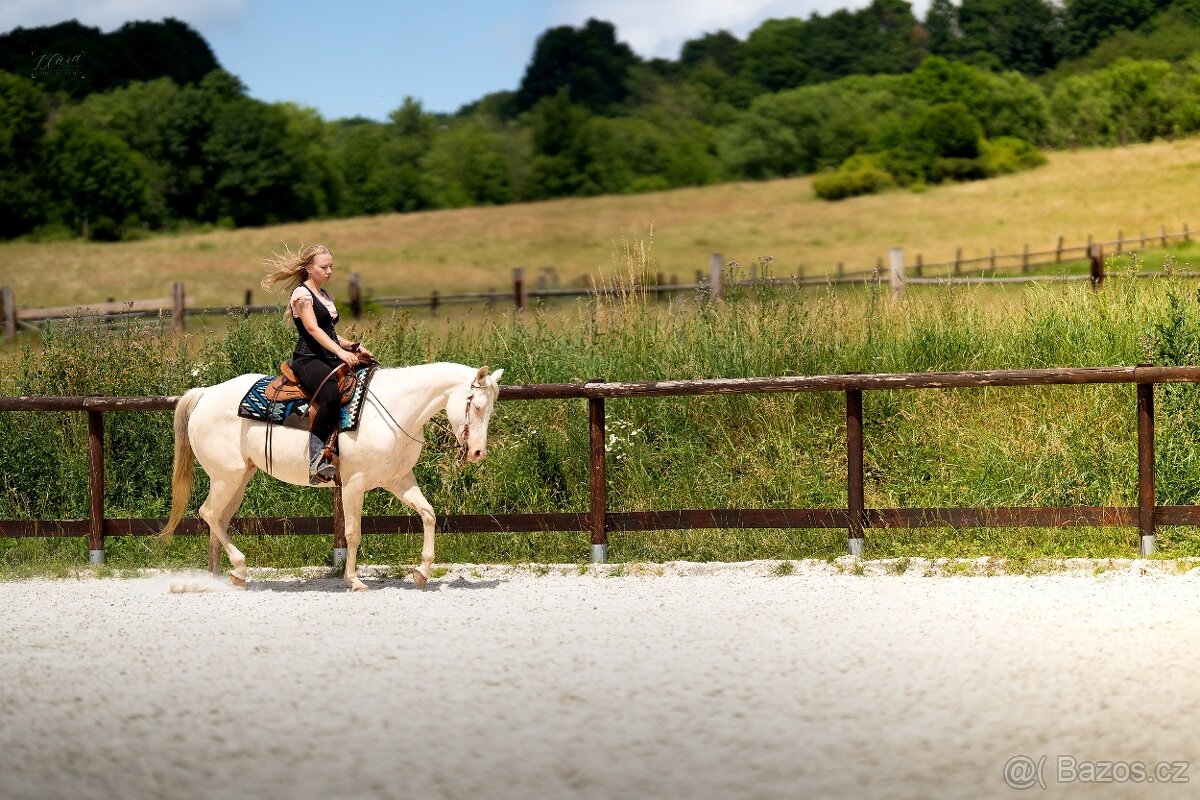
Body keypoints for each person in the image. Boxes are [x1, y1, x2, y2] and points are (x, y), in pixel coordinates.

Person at [261, 244, 373, 484]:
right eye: (324, 267)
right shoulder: (302, 295)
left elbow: (330, 333)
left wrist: (353, 346)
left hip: (327, 355)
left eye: (331, 266)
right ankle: (316, 461)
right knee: (331, 395)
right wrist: (341, 354)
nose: (329, 271)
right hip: (308, 359)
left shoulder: (326, 295)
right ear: (310, 269)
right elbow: (312, 329)